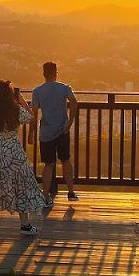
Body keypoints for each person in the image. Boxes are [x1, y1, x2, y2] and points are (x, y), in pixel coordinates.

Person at [0, 81, 45, 235]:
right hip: (13, 153)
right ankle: (25, 225)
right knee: (21, 186)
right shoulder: (16, 110)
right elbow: (31, 117)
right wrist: (21, 100)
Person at [32, 61, 79, 207]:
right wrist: (70, 121)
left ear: (43, 74)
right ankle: (70, 192)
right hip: (62, 130)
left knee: (48, 165)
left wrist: (31, 133)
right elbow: (74, 101)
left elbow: (34, 113)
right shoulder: (64, 88)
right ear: (56, 73)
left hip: (46, 132)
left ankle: (45, 197)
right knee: (66, 160)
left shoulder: (37, 91)